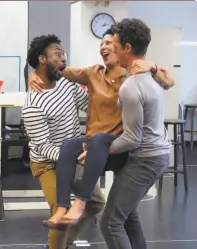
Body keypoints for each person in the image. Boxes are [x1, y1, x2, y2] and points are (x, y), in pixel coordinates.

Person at [28, 28, 174, 227]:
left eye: (109, 44)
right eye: (101, 45)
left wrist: (154, 67)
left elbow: (169, 82)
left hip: (118, 146)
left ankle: (80, 204)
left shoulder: (132, 78)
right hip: (91, 146)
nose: (103, 47)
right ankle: (64, 207)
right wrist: (33, 74)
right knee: (70, 146)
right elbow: (56, 72)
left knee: (119, 213)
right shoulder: (93, 74)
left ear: (122, 49)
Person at [22, 34, 105, 249]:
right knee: (61, 212)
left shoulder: (67, 85)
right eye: (58, 53)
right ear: (41, 59)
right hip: (47, 163)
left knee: (96, 202)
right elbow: (43, 145)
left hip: (72, 156)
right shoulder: (33, 103)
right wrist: (72, 156)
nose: (64, 58)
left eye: (63, 53)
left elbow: (88, 105)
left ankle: (60, 246)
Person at [99, 18, 171, 249]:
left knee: (110, 222)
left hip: (146, 159)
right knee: (127, 214)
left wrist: (100, 151)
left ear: (127, 47)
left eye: (114, 44)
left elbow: (132, 139)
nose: (110, 48)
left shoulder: (131, 86)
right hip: (156, 154)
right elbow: (167, 79)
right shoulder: (150, 76)